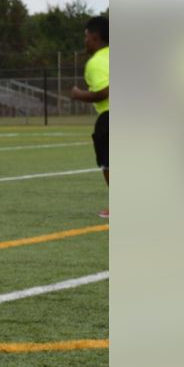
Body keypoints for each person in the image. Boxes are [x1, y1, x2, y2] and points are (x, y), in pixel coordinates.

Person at [70, 16, 109, 219]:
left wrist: (78, 94)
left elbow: (104, 92)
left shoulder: (96, 62)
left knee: (108, 163)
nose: (84, 40)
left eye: (86, 36)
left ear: (95, 37)